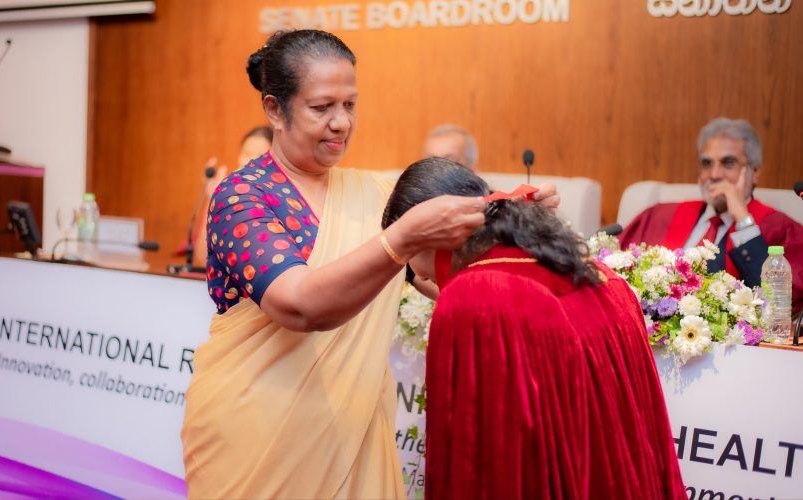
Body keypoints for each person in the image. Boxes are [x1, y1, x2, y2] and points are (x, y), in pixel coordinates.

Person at [180, 29, 561, 499]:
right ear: (275, 110)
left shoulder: (373, 194)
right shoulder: (240, 197)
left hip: (351, 433)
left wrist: (515, 219)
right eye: (322, 107)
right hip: (257, 436)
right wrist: (400, 238)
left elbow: (443, 280)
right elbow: (299, 305)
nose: (341, 122)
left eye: (350, 105)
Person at [382, 157, 685, 499]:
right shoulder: (604, 277)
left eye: (407, 251)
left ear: (428, 233)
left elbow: (478, 463)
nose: (417, 274)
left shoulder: (475, 298)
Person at [620, 117, 802, 314]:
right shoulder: (660, 215)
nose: (714, 174)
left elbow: (781, 305)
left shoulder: (778, 228)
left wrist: (742, 218)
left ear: (755, 172)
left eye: (728, 163)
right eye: (706, 163)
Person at [187, 125, 274, 268]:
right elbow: (202, 259)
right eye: (246, 153)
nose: (250, 161)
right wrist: (212, 197)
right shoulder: (228, 196)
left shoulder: (276, 201)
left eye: (260, 155)